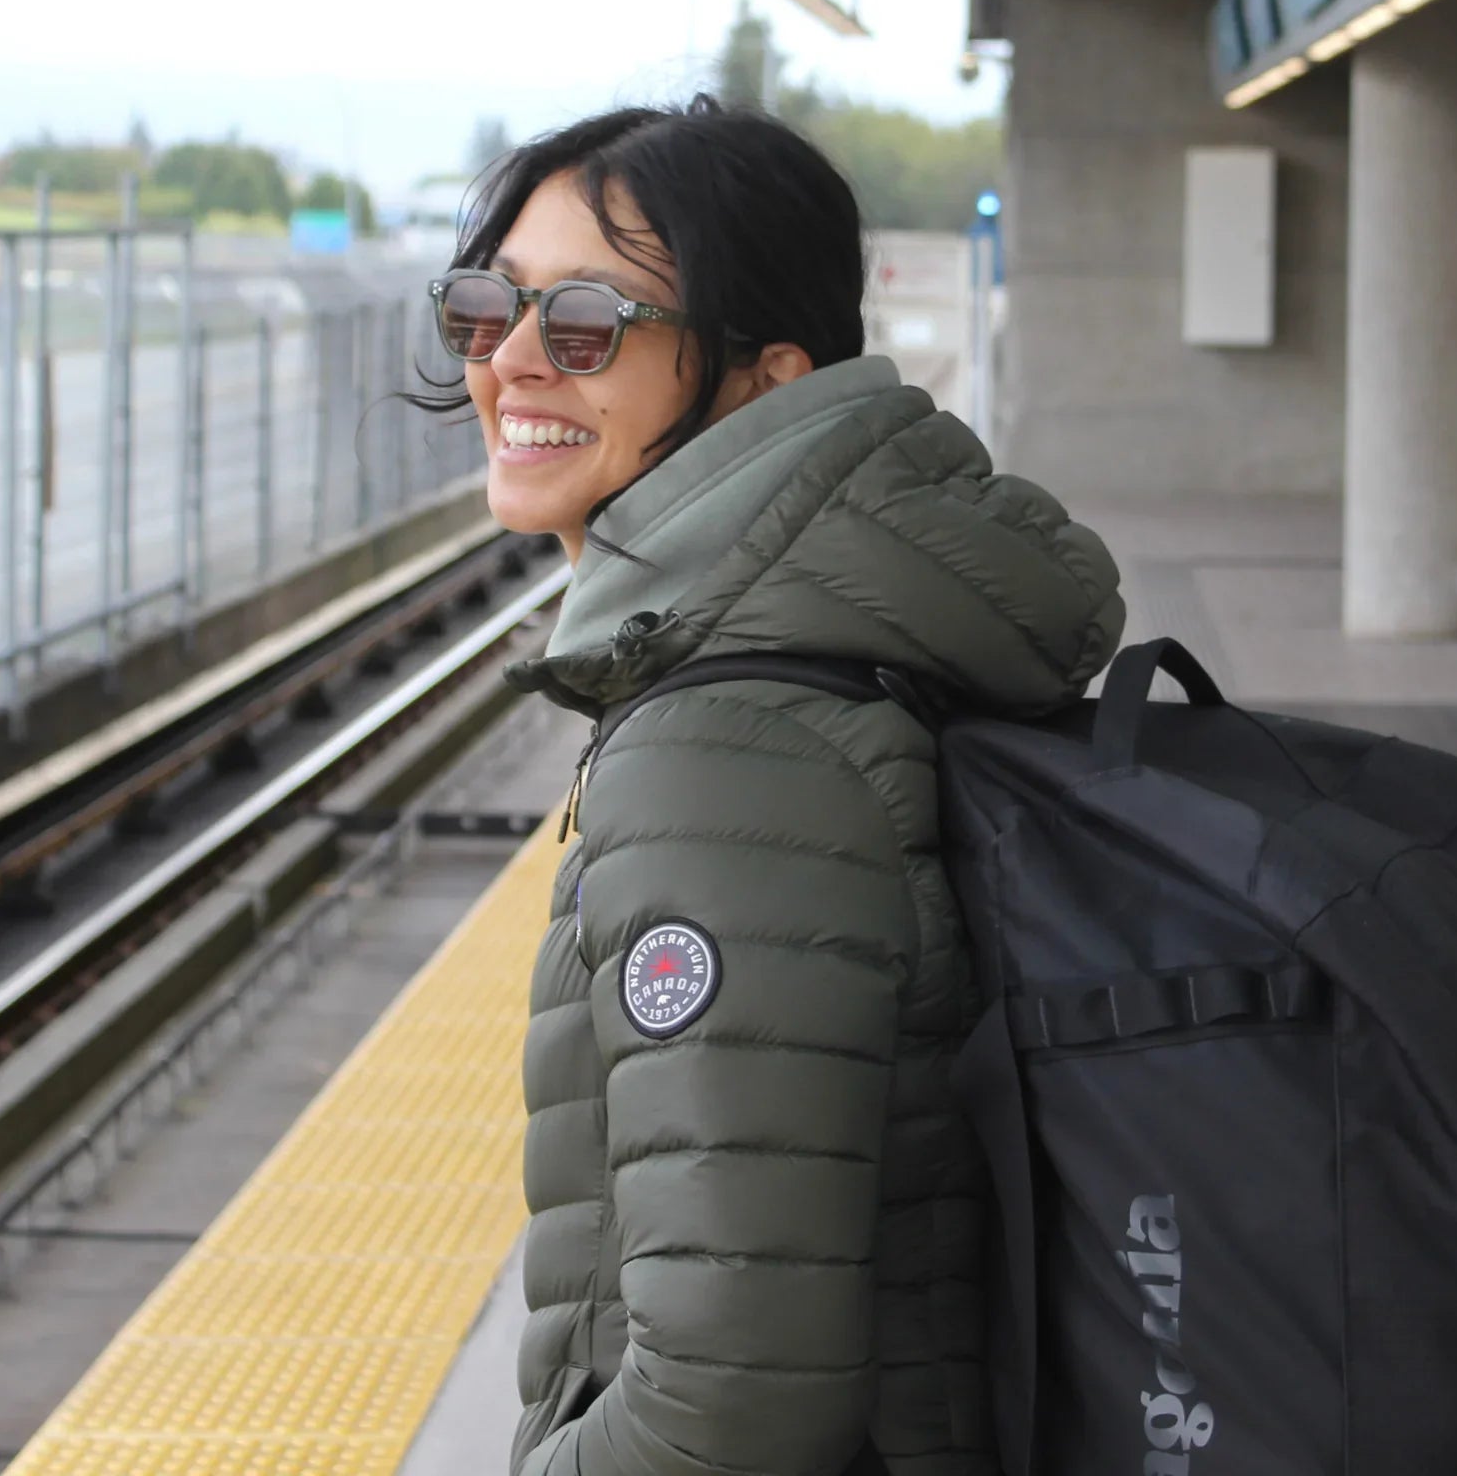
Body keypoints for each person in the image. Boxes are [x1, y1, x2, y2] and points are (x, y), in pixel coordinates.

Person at [425, 99, 1124, 1476]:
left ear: (761, 378)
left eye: (583, 323)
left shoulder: (726, 747)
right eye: (481, 309)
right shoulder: (835, 641)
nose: (507, 365)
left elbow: (725, 1408)